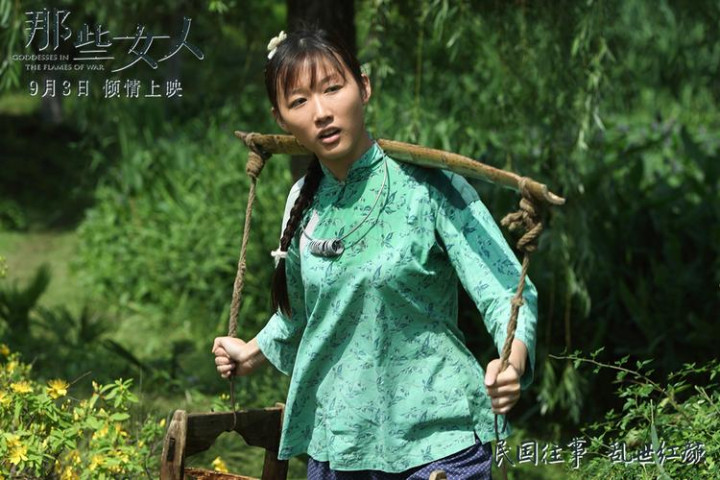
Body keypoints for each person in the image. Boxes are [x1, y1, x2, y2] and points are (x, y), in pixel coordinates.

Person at [212, 26, 537, 480]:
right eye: (299, 101)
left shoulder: (431, 186)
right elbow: (303, 315)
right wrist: (250, 353)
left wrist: (511, 361)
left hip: (438, 443)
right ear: (281, 118)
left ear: (363, 87)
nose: (322, 113)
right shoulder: (303, 200)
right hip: (337, 444)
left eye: (333, 88)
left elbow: (505, 291)